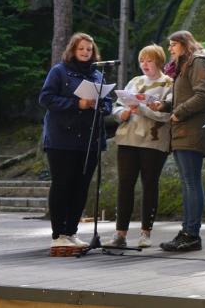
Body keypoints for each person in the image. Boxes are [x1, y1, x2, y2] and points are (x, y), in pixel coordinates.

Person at [38, 32, 113, 256]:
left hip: (89, 140)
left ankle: (71, 232)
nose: (85, 53)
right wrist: (77, 103)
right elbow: (46, 98)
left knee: (81, 187)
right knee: (63, 185)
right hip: (62, 139)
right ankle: (58, 234)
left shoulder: (98, 75)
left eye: (89, 50)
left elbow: (108, 105)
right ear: (73, 50)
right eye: (81, 49)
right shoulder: (59, 71)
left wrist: (99, 104)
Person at [150, 31, 205, 252]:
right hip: (182, 131)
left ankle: (191, 234)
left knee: (191, 183)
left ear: (184, 44)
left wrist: (178, 112)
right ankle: (187, 232)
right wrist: (164, 106)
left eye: (173, 45)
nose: (170, 49)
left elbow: (203, 95)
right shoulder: (186, 64)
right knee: (188, 183)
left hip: (192, 130)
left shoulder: (198, 61)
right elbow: (186, 95)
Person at [106, 44, 173, 248]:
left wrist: (141, 108)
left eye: (149, 60)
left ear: (159, 62)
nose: (145, 64)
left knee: (149, 184)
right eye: (142, 60)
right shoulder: (135, 81)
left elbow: (167, 114)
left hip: (153, 141)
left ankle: (146, 233)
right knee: (125, 184)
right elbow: (118, 107)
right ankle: (120, 234)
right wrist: (122, 114)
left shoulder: (168, 83)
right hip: (128, 138)